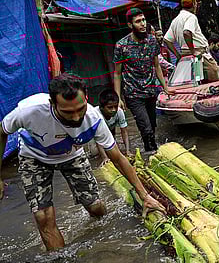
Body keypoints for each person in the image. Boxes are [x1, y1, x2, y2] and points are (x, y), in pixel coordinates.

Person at [0, 74, 164, 251]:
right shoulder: (29, 111)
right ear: (52, 104)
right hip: (34, 156)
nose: (76, 117)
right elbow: (2, 132)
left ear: (86, 99)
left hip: (72, 155)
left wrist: (144, 196)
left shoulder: (94, 119)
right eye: (67, 112)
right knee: (43, 216)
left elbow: (117, 158)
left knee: (95, 207)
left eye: (80, 108)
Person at [114, 7, 173, 152]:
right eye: (138, 21)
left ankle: (151, 151)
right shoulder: (121, 46)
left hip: (151, 90)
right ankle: (153, 154)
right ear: (130, 25)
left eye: (144, 20)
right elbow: (117, 73)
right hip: (133, 94)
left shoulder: (152, 41)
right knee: (145, 128)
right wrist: (118, 98)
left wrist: (165, 87)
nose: (143, 24)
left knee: (152, 126)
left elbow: (157, 65)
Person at [164, 0, 219, 83]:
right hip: (198, 54)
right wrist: (193, 50)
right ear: (194, 4)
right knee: (214, 78)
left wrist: (178, 55)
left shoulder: (176, 20)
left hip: (185, 56)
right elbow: (187, 32)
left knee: (195, 82)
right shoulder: (191, 17)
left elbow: (167, 40)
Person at [95, 89, 130, 163]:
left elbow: (124, 132)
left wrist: (128, 151)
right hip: (94, 135)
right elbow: (98, 140)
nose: (114, 110)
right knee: (95, 154)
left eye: (115, 106)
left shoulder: (119, 112)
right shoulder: (96, 116)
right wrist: (105, 158)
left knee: (113, 150)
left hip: (110, 130)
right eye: (110, 107)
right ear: (101, 107)